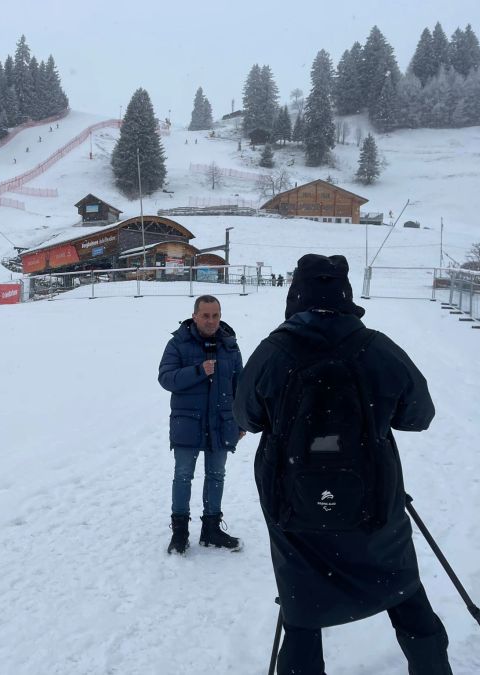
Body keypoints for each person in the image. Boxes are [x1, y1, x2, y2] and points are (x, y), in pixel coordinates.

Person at [234, 254, 451, 674]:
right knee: (405, 597)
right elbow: (418, 416)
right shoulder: (377, 348)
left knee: (302, 617)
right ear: (346, 296)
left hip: (295, 508)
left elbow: (246, 417)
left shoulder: (273, 352)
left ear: (296, 296)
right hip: (375, 506)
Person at [158, 295, 245, 554]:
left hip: (221, 421)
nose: (211, 320)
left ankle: (211, 529)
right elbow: (166, 378)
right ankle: (180, 532)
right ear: (195, 316)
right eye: (205, 315)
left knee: (216, 475)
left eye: (215, 315)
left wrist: (241, 421)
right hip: (188, 423)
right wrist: (198, 371)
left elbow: (240, 385)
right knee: (183, 476)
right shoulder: (178, 344)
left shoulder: (230, 345)